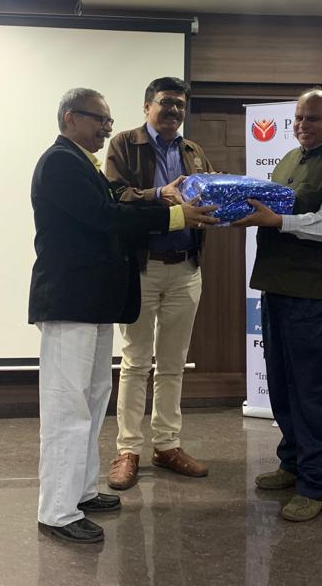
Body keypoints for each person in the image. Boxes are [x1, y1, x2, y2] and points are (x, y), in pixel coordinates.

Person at [29, 87, 217, 545]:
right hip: (70, 302)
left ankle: (80, 492)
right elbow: (106, 216)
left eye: (110, 121)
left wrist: (168, 200)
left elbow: (117, 203)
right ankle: (57, 512)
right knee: (68, 407)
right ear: (71, 118)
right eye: (100, 120)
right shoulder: (59, 162)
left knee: (93, 399)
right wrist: (176, 218)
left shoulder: (83, 162)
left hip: (92, 302)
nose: (107, 128)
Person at [233, 89, 322, 523]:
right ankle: (291, 463)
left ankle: (315, 484)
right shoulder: (289, 159)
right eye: (297, 118)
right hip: (275, 286)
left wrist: (278, 221)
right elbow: (272, 208)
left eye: (312, 118)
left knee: (312, 389)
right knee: (281, 382)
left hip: (312, 292)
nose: (302, 125)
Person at [103, 76, 215, 490]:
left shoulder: (193, 150)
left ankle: (167, 445)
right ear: (147, 105)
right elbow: (113, 196)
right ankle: (128, 450)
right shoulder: (124, 143)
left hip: (187, 268)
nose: (174, 111)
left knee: (173, 364)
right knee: (136, 362)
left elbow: (207, 194)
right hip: (142, 268)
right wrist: (158, 194)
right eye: (167, 103)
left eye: (180, 105)